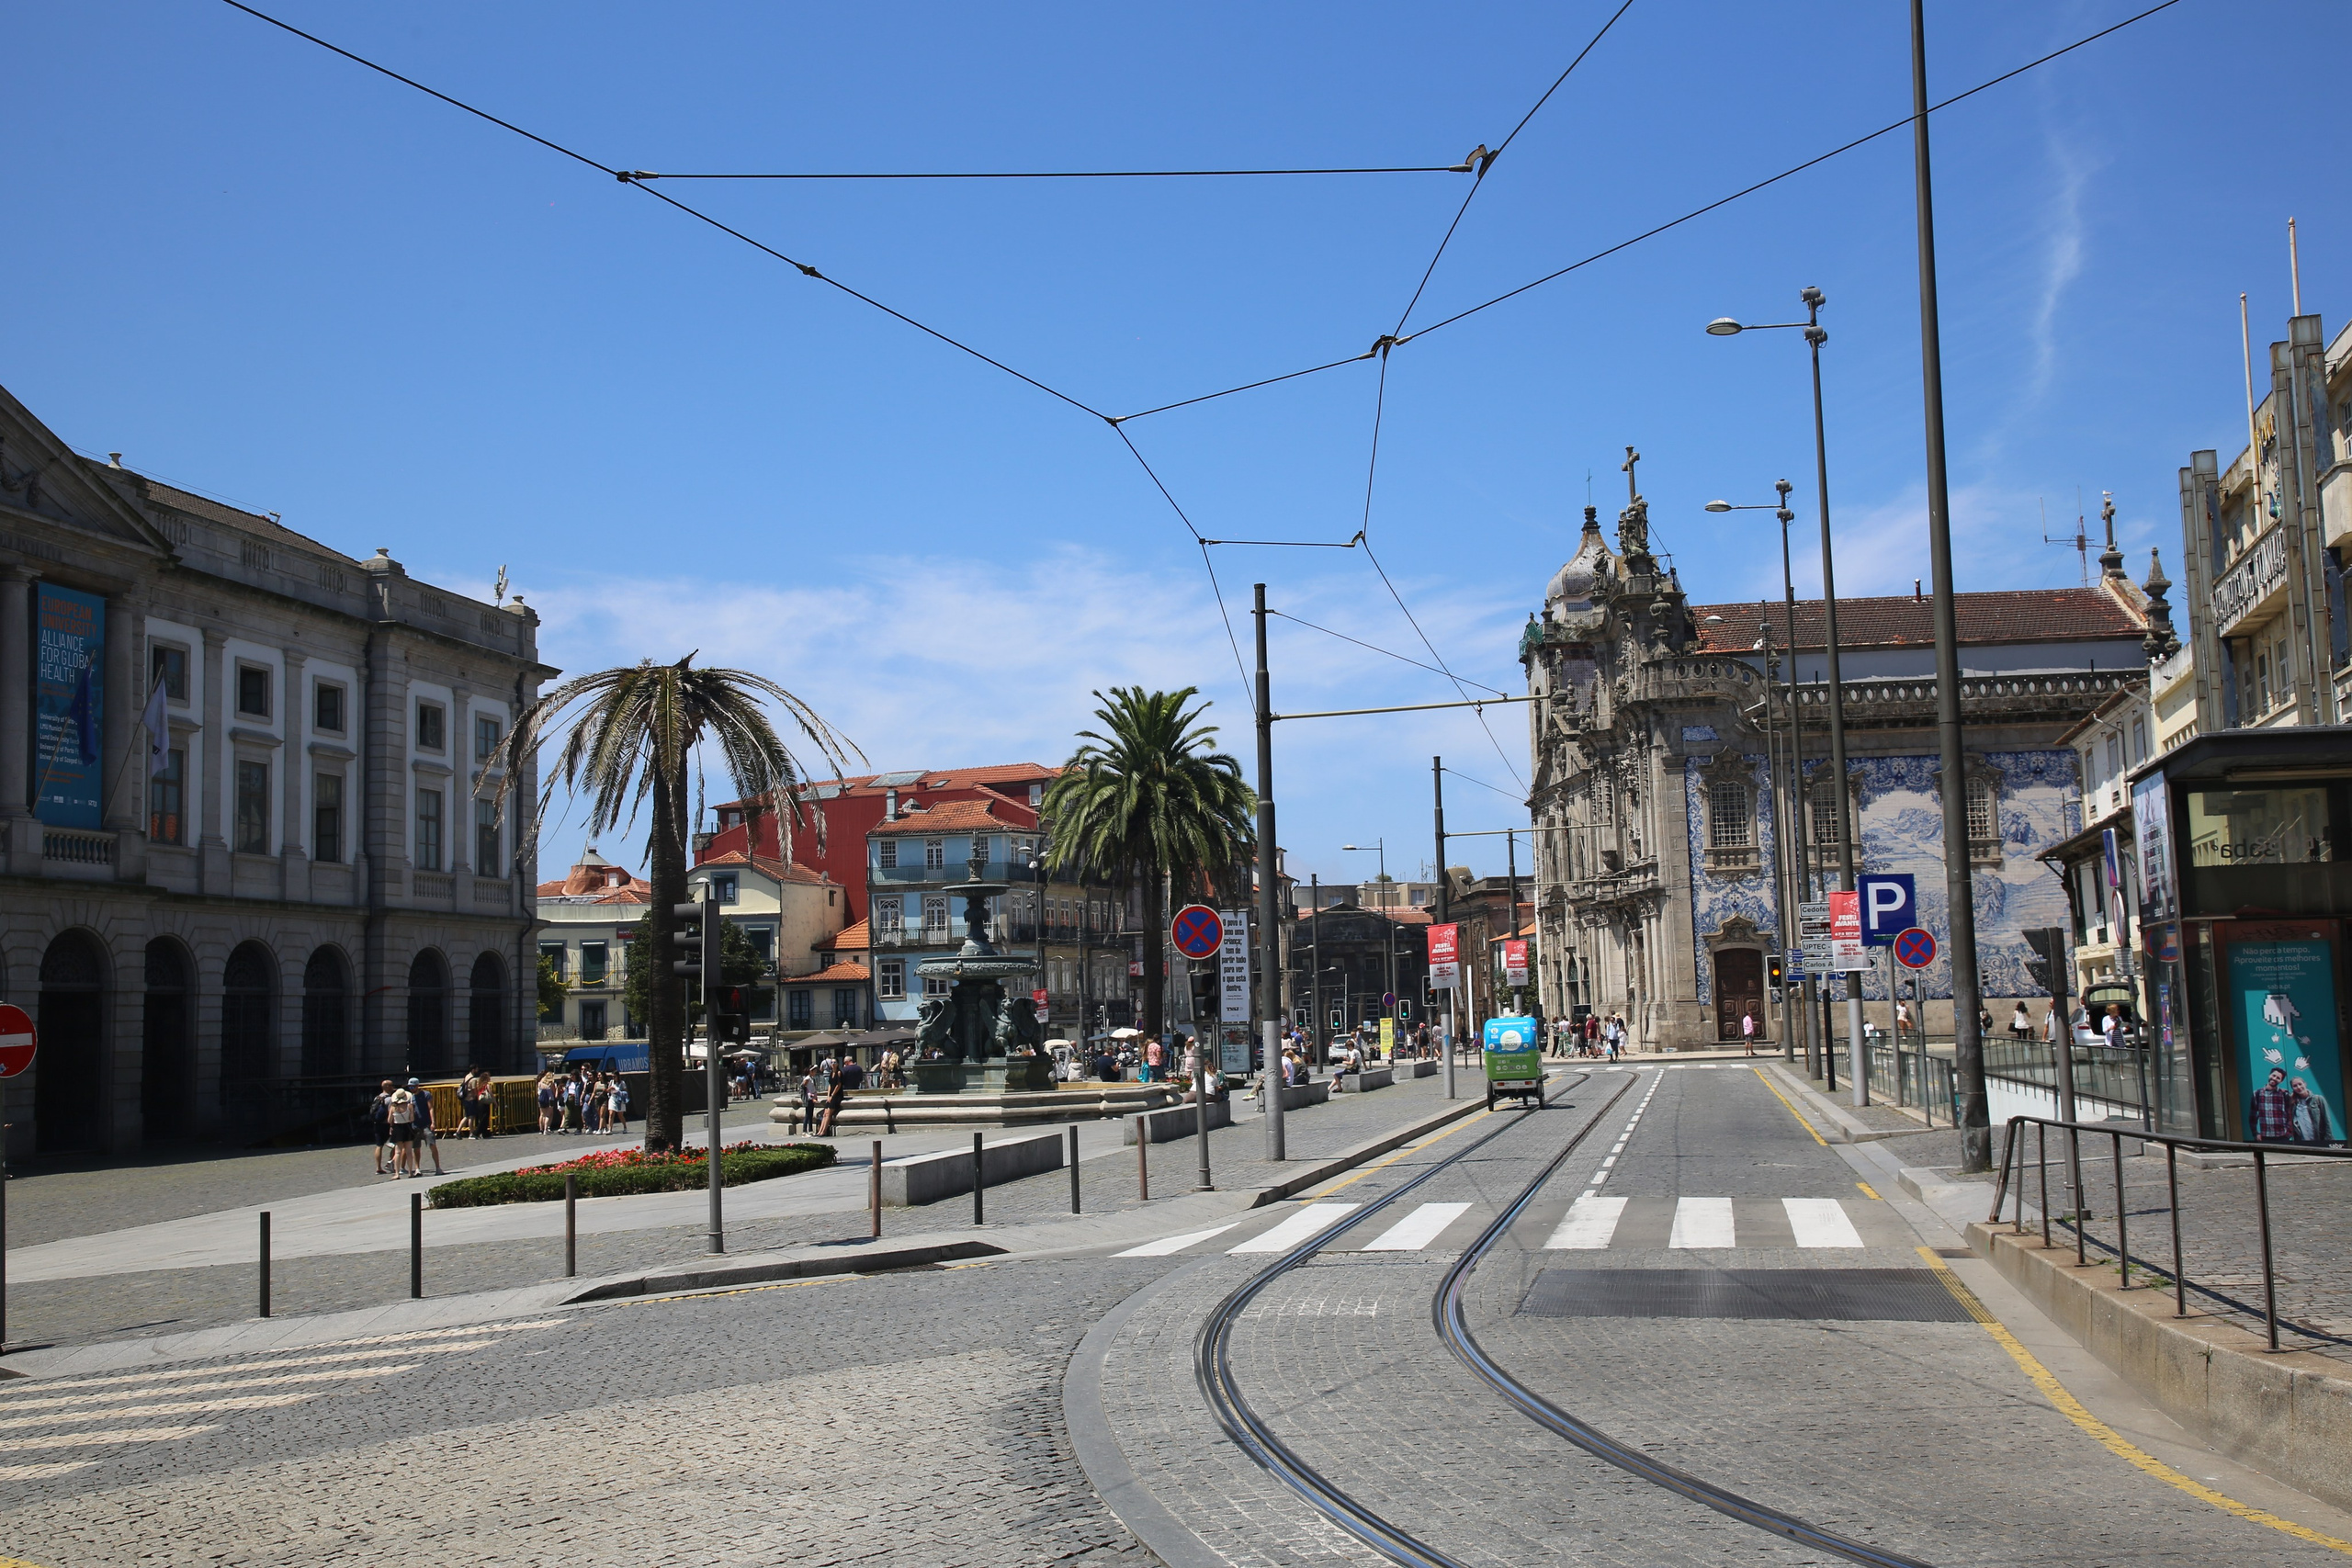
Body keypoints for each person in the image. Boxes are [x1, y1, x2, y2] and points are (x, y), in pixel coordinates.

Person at [408, 1077, 447, 1176]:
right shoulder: (410, 1097)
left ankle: (438, 1167)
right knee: (416, 1148)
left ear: (417, 1086)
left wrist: (433, 1122)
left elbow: (431, 1108)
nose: (411, 1089)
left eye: (413, 1087)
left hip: (426, 1124)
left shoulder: (426, 1094)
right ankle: (417, 1168)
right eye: (410, 1087)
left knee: (432, 1145)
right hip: (415, 1125)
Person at [2250, 1066, 2296, 1143]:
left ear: (2281, 1081)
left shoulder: (2284, 1094)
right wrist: (2256, 1133)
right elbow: (2253, 1116)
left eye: (2278, 1078)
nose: (2274, 1078)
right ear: (2269, 1075)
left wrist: (2288, 1133)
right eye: (2273, 1075)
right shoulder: (2257, 1093)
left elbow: (2289, 1114)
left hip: (2282, 1136)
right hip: (2264, 1137)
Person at [385, 1081, 419, 1177]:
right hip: (407, 1127)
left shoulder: (393, 1107)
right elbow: (412, 1119)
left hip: (397, 1127)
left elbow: (389, 1120)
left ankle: (397, 1173)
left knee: (398, 1152)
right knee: (409, 1151)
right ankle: (410, 1172)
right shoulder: (409, 1106)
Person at [2290, 1077, 2333, 1145]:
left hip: (2320, 1140)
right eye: (2295, 1086)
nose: (2298, 1087)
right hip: (2303, 1142)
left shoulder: (2318, 1099)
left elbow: (2327, 1121)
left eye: (2300, 1084)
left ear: (2305, 1084)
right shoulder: (2294, 1104)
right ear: (2293, 1088)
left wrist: (2327, 1141)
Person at [368, 1079, 396, 1174]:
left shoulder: (377, 1097)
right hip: (386, 1124)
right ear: (387, 1087)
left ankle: (378, 1167)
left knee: (379, 1145)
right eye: (391, 1085)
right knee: (397, 1144)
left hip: (377, 1124)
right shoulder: (390, 1099)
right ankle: (391, 1163)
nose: (393, 1087)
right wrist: (392, 1125)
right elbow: (391, 1113)